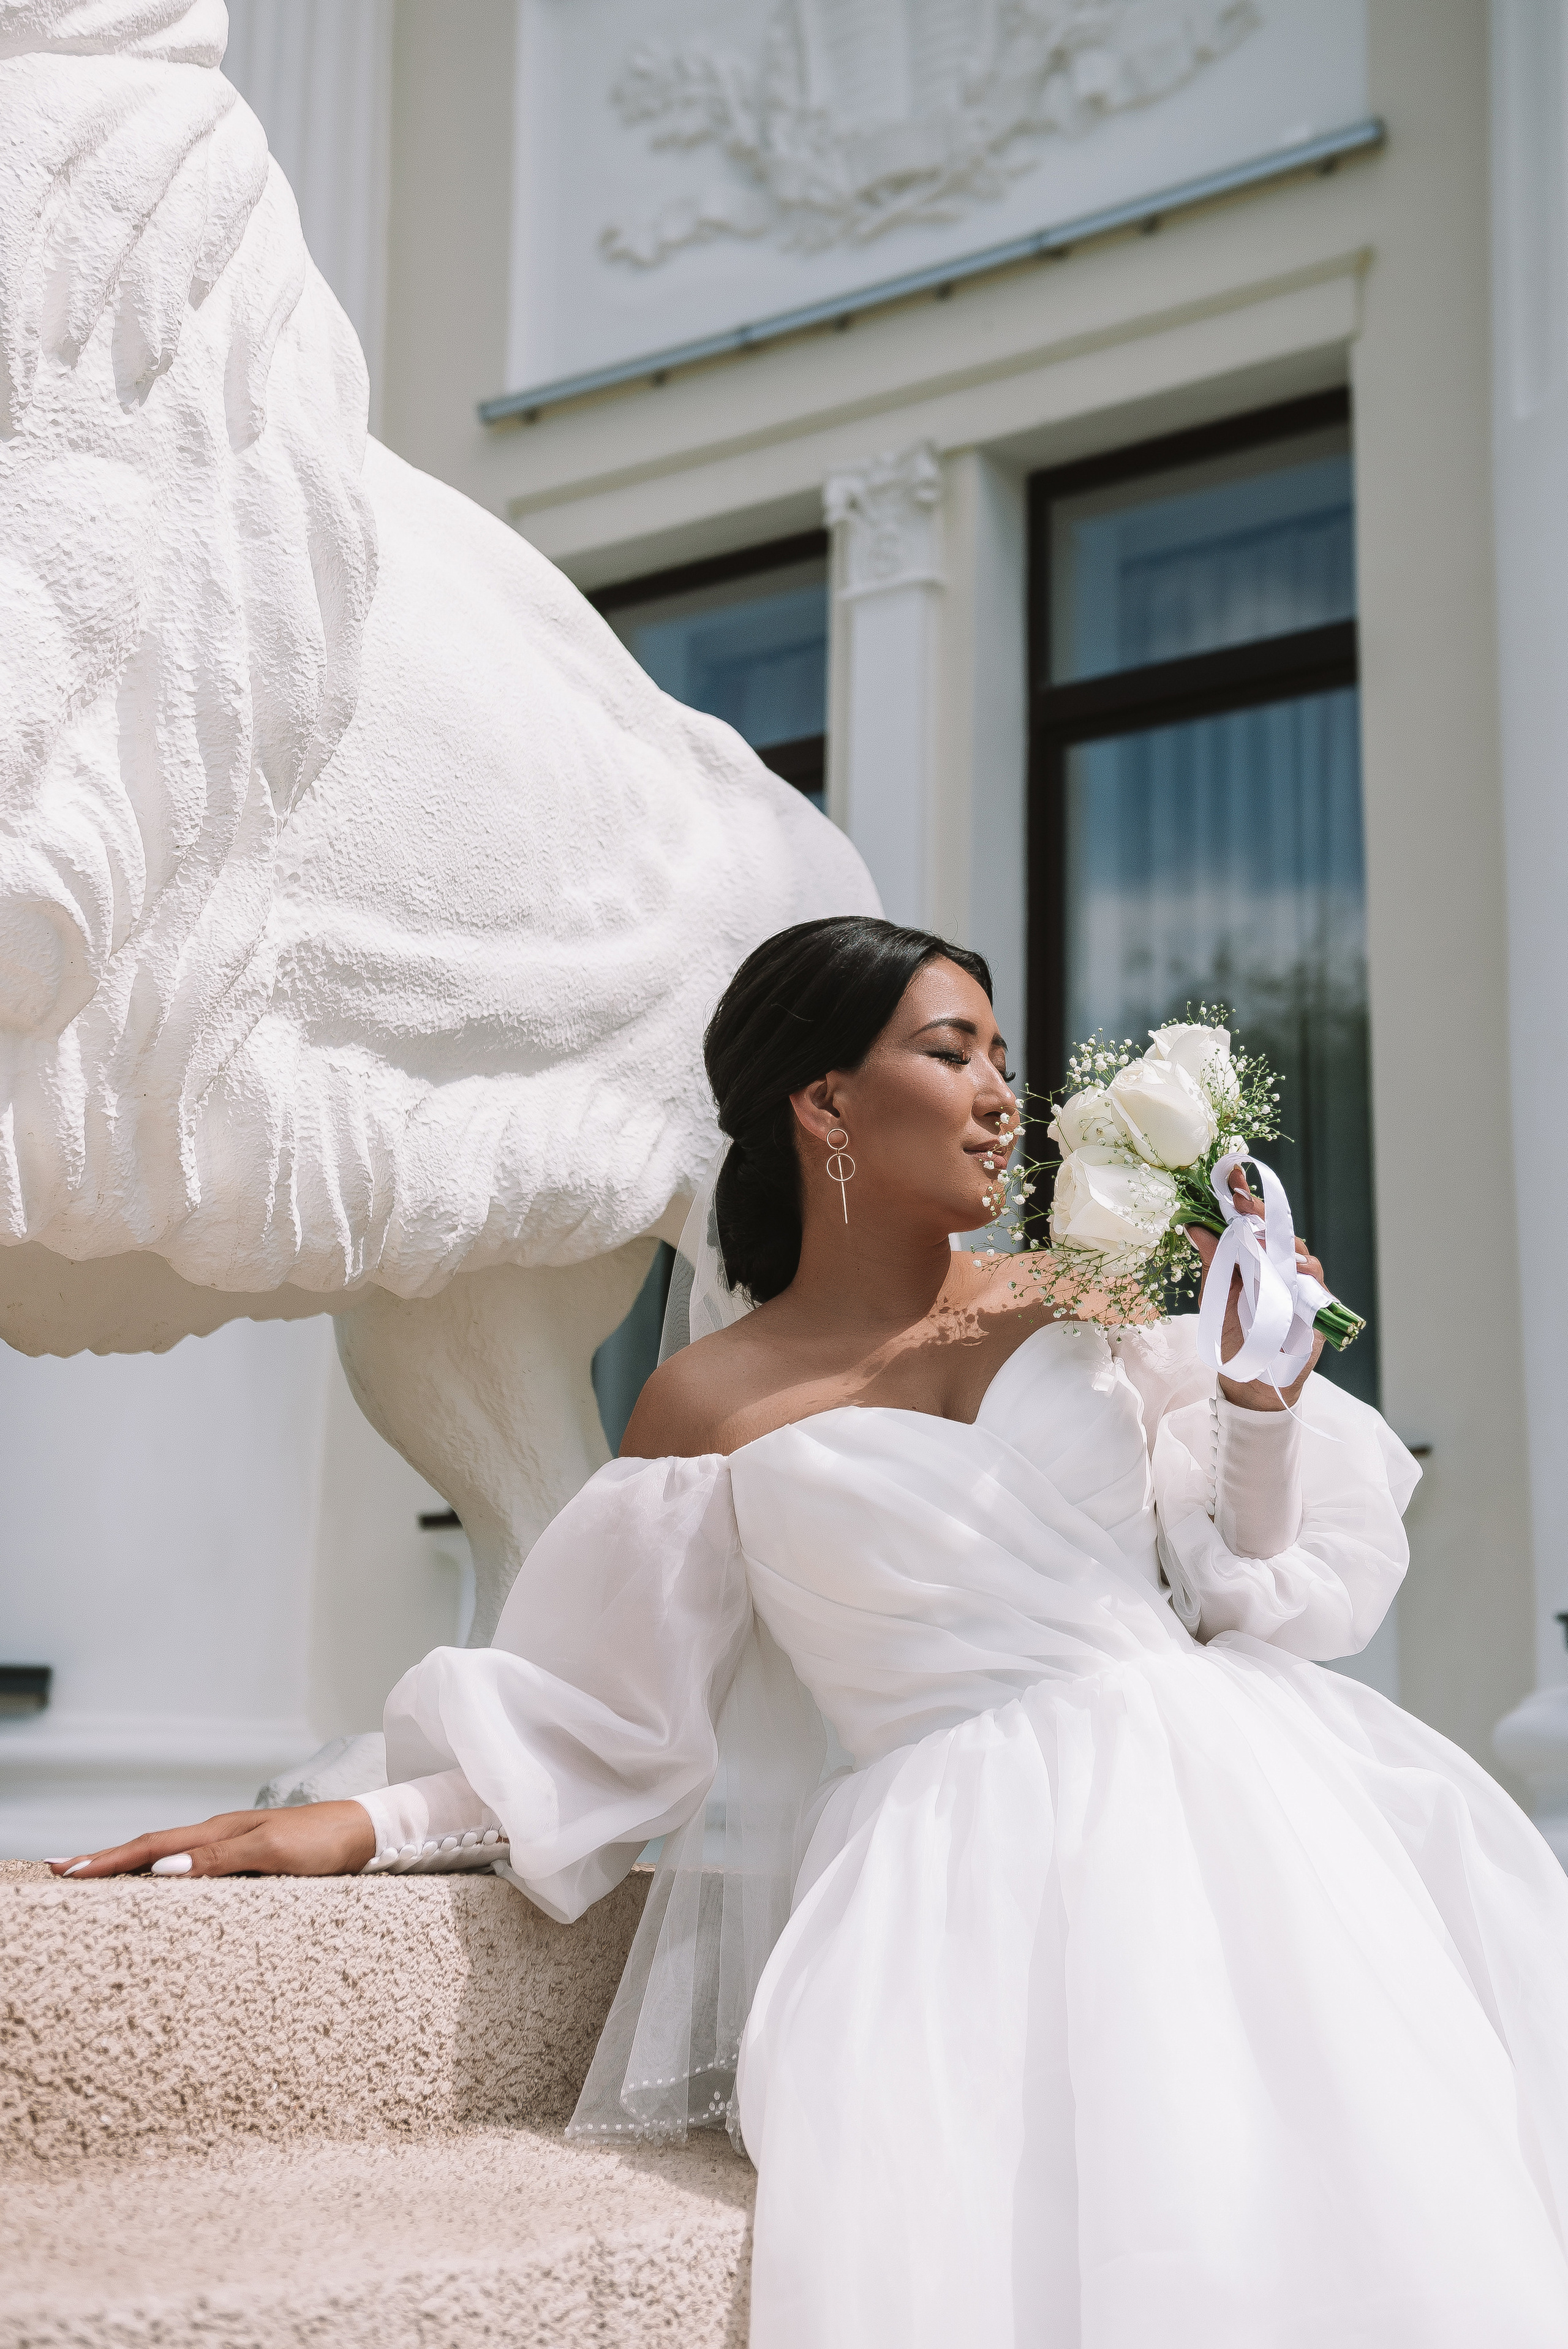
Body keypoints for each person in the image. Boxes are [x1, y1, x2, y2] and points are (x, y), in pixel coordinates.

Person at [55, 917, 1568, 2347]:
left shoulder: (1083, 1301)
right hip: (954, 1889)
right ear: (824, 1102)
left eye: (999, 1059)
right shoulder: (706, 1406)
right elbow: (603, 1728)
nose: (1001, 1098)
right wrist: (363, 1824)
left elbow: (1258, 1585)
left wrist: (1257, 1399)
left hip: (1249, 1816)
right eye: (951, 1053)